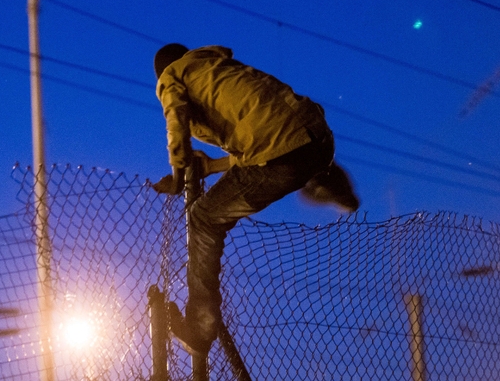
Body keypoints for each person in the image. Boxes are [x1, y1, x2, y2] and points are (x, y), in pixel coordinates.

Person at [152, 43, 359, 357]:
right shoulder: (214, 69)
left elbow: (176, 121)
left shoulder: (172, 75)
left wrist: (180, 176)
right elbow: (265, 136)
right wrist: (210, 166)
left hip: (281, 153)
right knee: (293, 163)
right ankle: (325, 179)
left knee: (204, 218)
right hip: (315, 137)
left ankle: (199, 328)